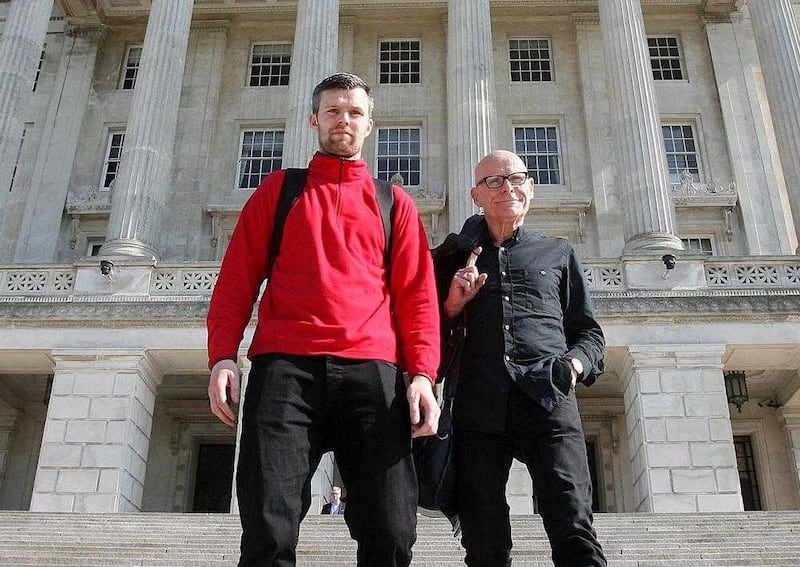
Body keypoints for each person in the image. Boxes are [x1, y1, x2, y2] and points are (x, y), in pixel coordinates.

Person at [207, 73, 441, 567]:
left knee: (392, 526)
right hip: (285, 369)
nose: (344, 120)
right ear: (314, 119)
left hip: (371, 370)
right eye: (333, 111)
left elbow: (417, 297)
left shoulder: (393, 202)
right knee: (269, 524)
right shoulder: (279, 190)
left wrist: (422, 373)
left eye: (354, 112)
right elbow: (235, 283)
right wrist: (222, 356)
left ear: (370, 125)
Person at [433, 150, 607, 567]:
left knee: (573, 525)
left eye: (515, 178)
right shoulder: (450, 260)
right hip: (477, 408)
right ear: (476, 195)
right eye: (493, 181)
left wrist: (573, 366)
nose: (506, 187)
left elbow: (589, 333)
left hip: (548, 399)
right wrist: (453, 306)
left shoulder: (558, 253)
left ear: (530, 188)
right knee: (484, 541)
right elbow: (424, 336)